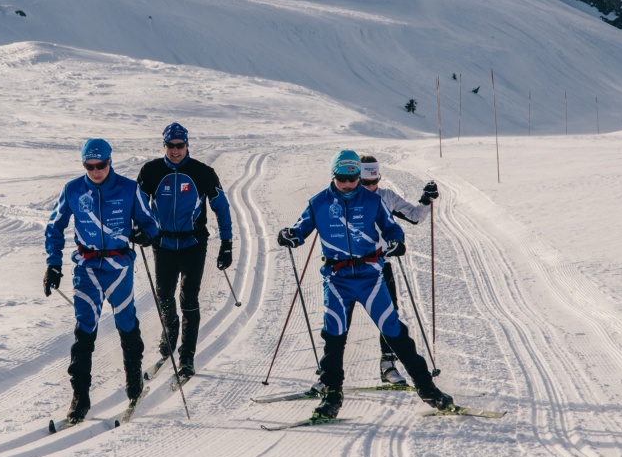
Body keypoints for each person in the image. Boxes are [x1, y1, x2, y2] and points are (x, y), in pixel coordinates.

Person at [275, 149, 456, 421]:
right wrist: (289, 235)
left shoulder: (373, 201)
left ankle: (428, 390)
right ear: (333, 176)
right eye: (342, 178)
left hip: (370, 277)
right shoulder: (319, 203)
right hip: (337, 280)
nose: (348, 184)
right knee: (334, 337)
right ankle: (331, 397)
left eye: (354, 179)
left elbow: (392, 228)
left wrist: (396, 242)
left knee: (395, 332)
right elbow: (300, 230)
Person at [44, 138, 162, 423]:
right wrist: (53, 264)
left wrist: (146, 235)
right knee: (84, 329)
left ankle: (134, 383)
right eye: (90, 166)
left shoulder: (129, 189)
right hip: (86, 268)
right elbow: (54, 227)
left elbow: (151, 223)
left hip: (119, 267)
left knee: (126, 323)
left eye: (101, 165)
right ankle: (80, 397)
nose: (96, 171)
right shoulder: (73, 190)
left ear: (110, 161)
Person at [135, 122, 234, 379]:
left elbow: (221, 207)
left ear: (187, 145)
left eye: (180, 145)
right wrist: (140, 230)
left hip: (193, 244)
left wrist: (227, 243)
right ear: (164, 145)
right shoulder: (151, 171)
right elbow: (137, 206)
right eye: (171, 145)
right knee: (164, 295)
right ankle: (170, 331)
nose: (175, 150)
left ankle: (187, 357)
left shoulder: (202, 172)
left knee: (189, 299)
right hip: (163, 244)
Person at [358, 154, 440, 385]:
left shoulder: (387, 197)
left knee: (389, 315)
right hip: (348, 266)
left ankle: (388, 365)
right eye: (365, 183)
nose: (370, 187)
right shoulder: (346, 199)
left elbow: (414, 217)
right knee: (340, 319)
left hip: (380, 264)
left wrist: (426, 200)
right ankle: (329, 374)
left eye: (374, 182)